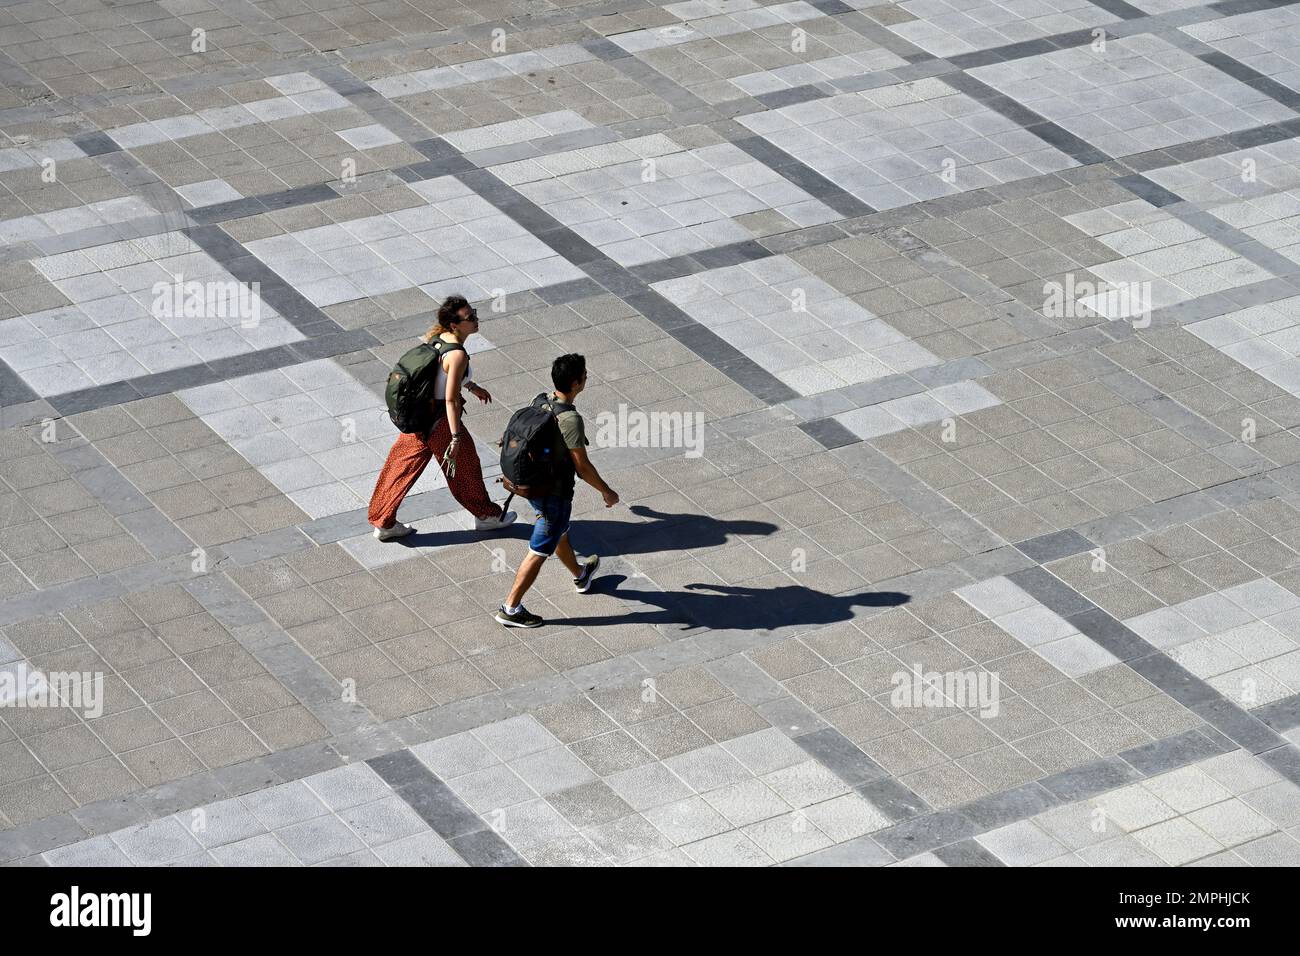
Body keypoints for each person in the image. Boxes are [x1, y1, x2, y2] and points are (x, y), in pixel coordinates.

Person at [367, 296, 516, 541]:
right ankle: (486, 517)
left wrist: (472, 386)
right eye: (470, 317)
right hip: (440, 421)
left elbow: (441, 375)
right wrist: (456, 436)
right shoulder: (457, 354)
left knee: (399, 468)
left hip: (419, 418)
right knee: (466, 467)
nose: (476, 319)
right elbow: (450, 399)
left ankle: (383, 521)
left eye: (474, 313)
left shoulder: (438, 339)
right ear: (455, 324)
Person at [496, 354, 619, 627]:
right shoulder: (570, 419)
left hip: (532, 486)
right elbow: (582, 466)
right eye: (585, 375)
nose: (587, 378)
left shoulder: (538, 400)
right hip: (554, 493)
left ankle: (580, 574)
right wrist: (606, 491)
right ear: (576, 383)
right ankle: (510, 608)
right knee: (539, 549)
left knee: (559, 530)